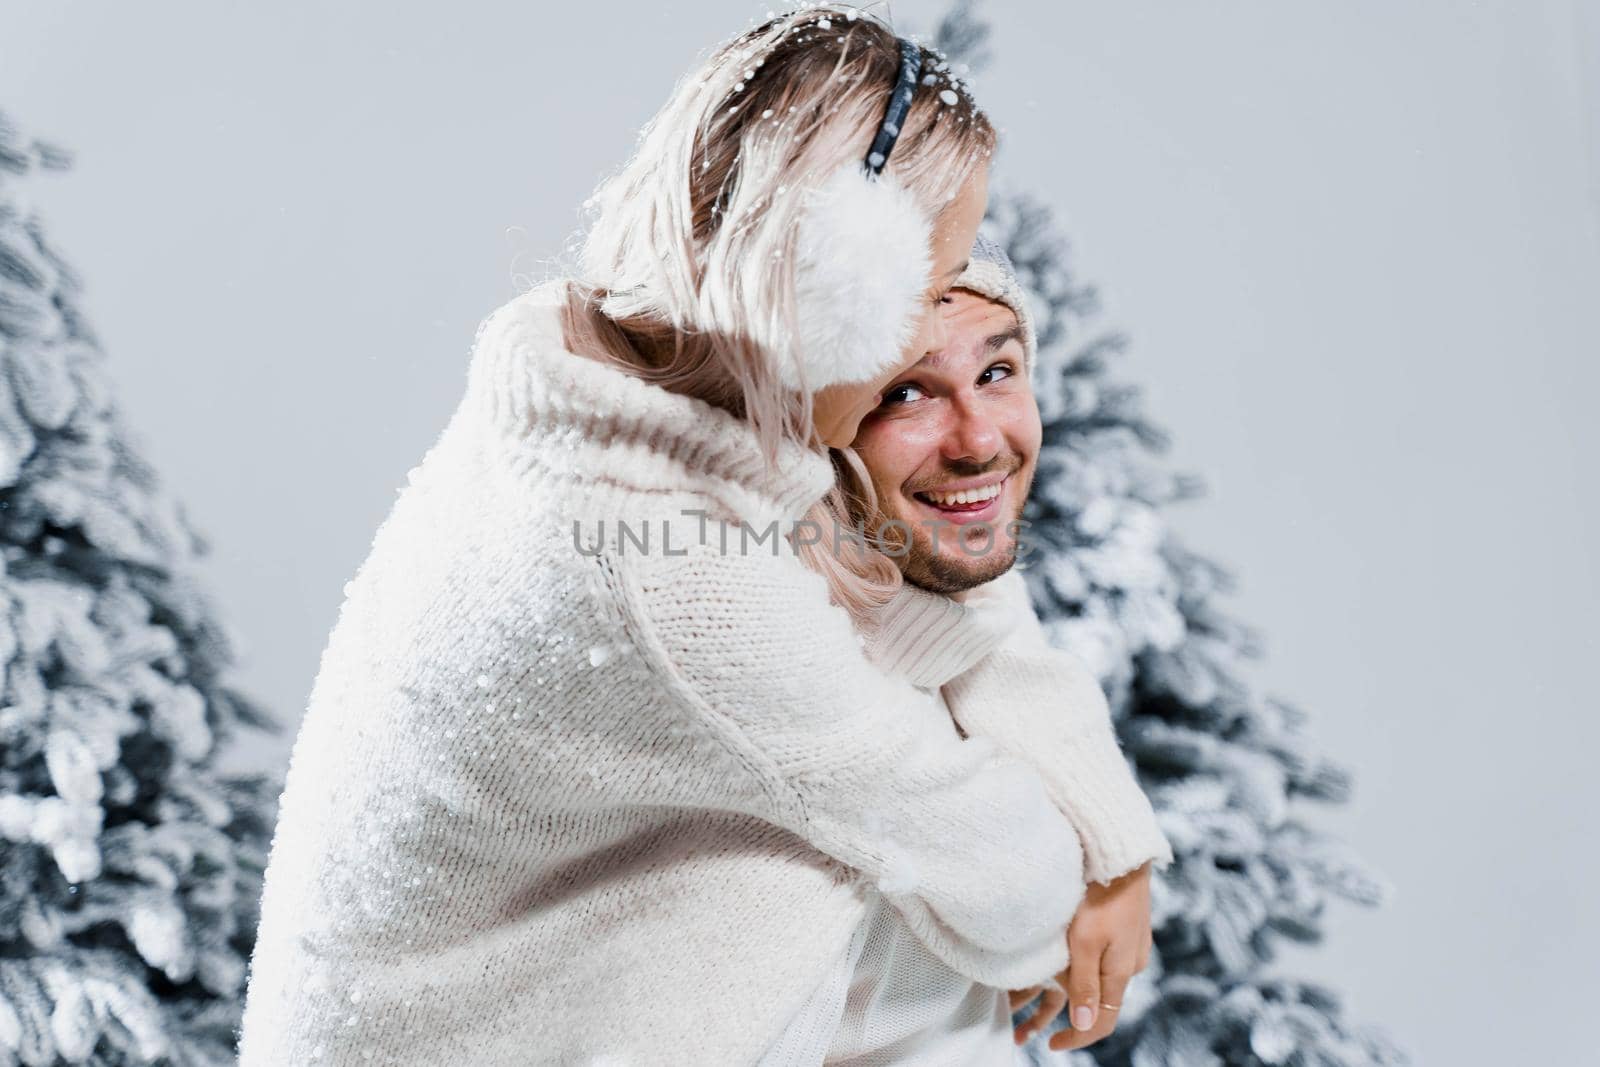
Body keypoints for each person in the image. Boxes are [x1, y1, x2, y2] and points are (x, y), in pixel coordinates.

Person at [236, 8, 1096, 1065]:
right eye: (921, 288)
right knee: (867, 898)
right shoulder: (670, 571)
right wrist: (1097, 863)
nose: (934, 332)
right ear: (828, 280)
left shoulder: (588, 381)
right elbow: (1018, 891)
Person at [757, 237, 1174, 1065]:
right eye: (904, 391)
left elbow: (990, 617)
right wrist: (1091, 867)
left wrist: (1119, 849)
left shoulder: (926, 580)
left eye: (998, 371)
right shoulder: (763, 650)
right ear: (812, 424)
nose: (981, 440)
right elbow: (1017, 904)